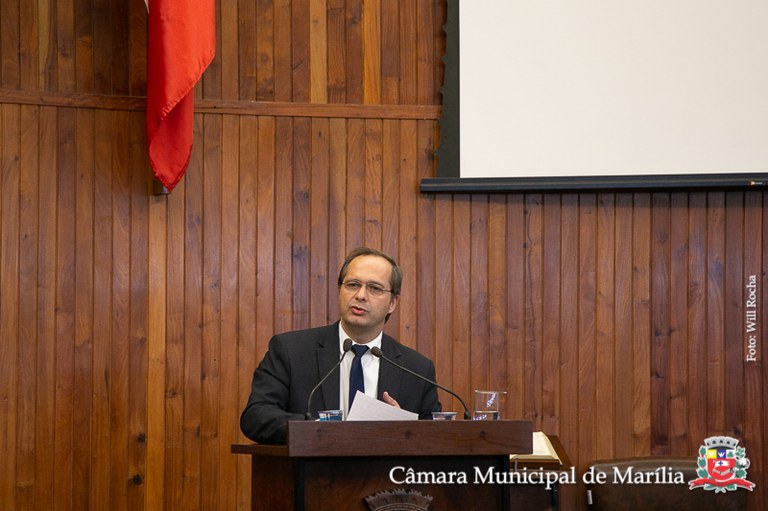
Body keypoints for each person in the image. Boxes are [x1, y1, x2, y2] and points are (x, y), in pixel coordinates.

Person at [240, 247, 441, 444]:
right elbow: (256, 417)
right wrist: (318, 429)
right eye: (353, 285)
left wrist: (405, 430)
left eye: (374, 288)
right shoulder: (291, 351)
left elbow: (435, 439)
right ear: (340, 290)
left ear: (392, 303)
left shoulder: (417, 370)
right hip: (312, 465)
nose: (361, 295)